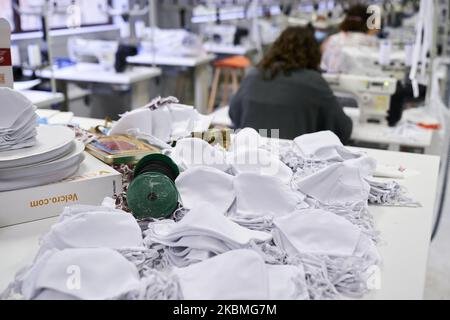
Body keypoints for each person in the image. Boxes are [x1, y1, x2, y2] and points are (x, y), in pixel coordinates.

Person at [229, 26, 353, 144]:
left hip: (250, 157)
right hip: (292, 161)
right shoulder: (313, 81)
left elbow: (234, 114)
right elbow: (343, 130)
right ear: (313, 53)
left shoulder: (253, 75)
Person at [321, 4, 405, 126]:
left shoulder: (331, 40)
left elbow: (323, 68)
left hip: (329, 96)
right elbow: (378, 71)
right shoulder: (371, 42)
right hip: (357, 99)